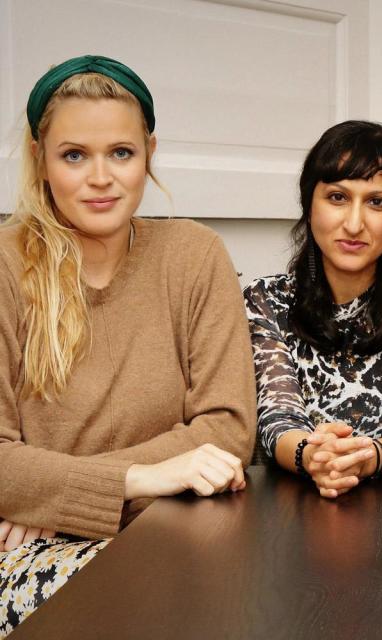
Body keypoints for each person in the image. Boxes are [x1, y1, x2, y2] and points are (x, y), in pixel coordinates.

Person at [0, 55, 256, 635]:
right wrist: (141, 479)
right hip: (29, 555)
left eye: (121, 152)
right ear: (41, 161)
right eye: (74, 155)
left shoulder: (195, 255)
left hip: (173, 536)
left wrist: (47, 497)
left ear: (149, 153)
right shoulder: (5, 265)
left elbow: (225, 430)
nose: (100, 178)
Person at [244, 120, 382, 499]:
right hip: (296, 508)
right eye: (337, 197)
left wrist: (372, 456)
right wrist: (312, 455)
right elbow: (277, 418)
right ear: (308, 203)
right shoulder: (266, 297)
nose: (353, 223)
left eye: (376, 202)